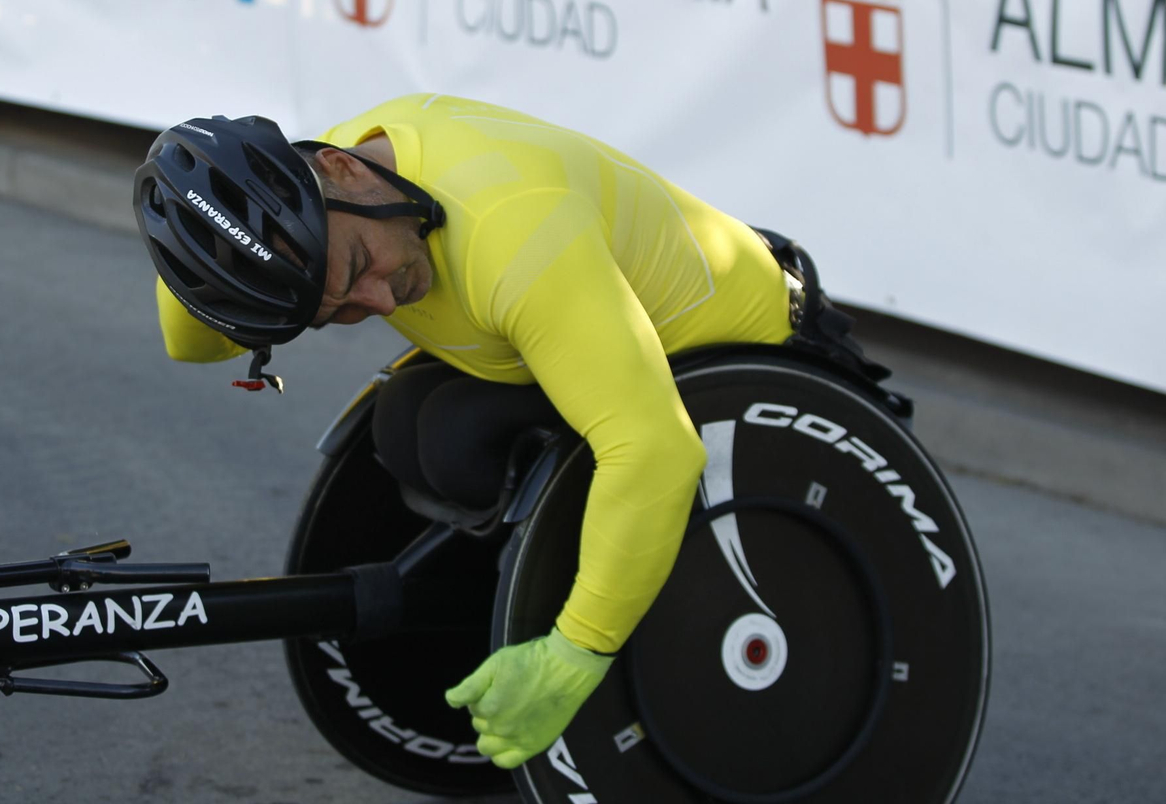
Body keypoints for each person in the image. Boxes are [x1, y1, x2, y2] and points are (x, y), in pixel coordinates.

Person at [133, 95, 800, 769]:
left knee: (460, 434)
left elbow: (656, 449)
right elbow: (187, 339)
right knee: (413, 423)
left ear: (345, 169)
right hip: (564, 341)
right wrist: (197, 234)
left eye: (361, 263)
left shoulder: (517, 230)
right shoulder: (325, 190)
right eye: (338, 313)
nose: (383, 302)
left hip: (746, 369)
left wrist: (577, 651)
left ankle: (601, 603)